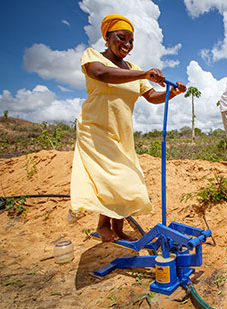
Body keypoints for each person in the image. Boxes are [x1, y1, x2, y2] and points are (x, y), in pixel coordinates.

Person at [70, 14, 186, 242]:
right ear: (107, 37)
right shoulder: (93, 57)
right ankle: (103, 225)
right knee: (113, 178)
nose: (127, 44)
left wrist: (172, 93)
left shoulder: (132, 68)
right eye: (121, 37)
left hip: (122, 132)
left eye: (131, 41)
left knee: (128, 179)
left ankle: (118, 228)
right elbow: (101, 74)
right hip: (96, 129)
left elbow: (151, 95)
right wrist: (144, 73)